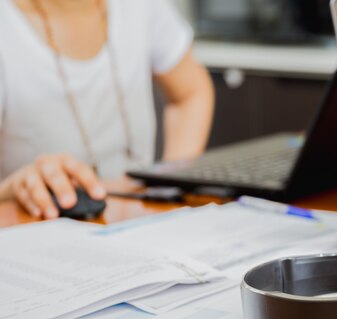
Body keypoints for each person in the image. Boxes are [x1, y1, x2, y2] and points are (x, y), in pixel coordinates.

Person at [0, 0, 215, 219]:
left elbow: (191, 92)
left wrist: (171, 182)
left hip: (142, 222)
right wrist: (9, 190)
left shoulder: (141, 6)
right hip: (40, 228)